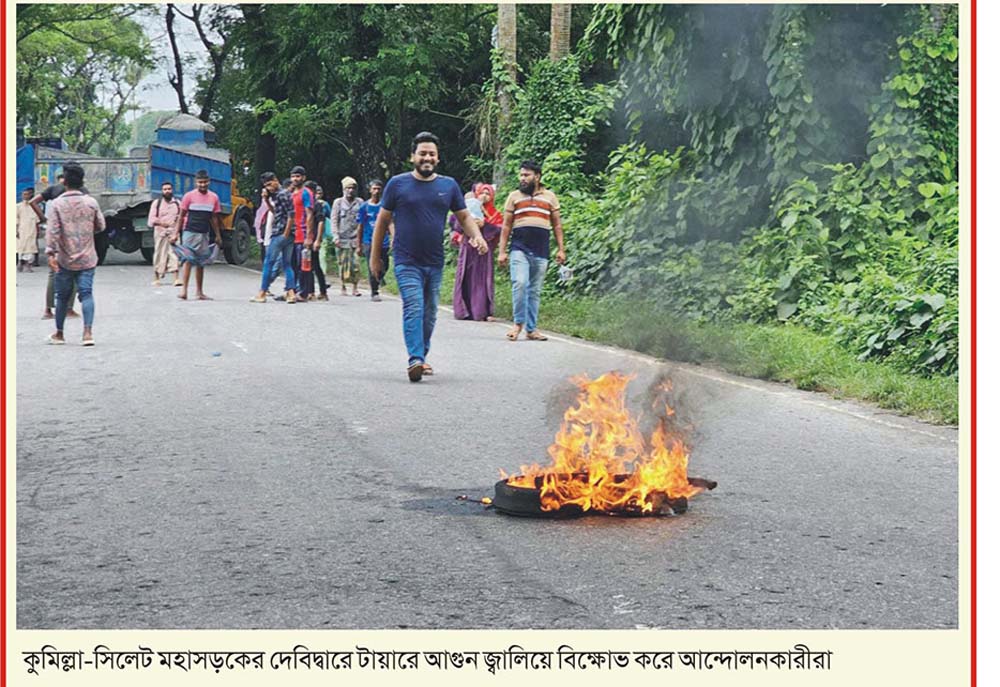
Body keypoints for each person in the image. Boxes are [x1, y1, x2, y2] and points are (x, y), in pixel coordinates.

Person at [370, 131, 488, 382]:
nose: (427, 157)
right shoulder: (397, 184)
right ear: (412, 156)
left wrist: (476, 236)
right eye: (422, 153)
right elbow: (382, 220)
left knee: (430, 312)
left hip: (434, 261)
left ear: (437, 158)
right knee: (414, 306)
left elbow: (464, 216)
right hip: (406, 259)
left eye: (431, 154)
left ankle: (421, 356)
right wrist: (375, 257)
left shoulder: (448, 186)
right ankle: (415, 358)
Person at [498, 160, 567, 341]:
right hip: (519, 248)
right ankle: (517, 324)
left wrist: (561, 249)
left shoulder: (550, 197)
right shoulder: (514, 197)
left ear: (537, 176)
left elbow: (557, 225)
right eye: (521, 175)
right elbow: (506, 226)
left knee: (534, 290)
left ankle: (531, 329)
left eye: (526, 175)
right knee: (520, 283)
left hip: (541, 250)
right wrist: (502, 251)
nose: (522, 178)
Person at [44, 162, 105, 346]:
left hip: (64, 258)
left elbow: (53, 231)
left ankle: (59, 334)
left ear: (65, 182)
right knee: (86, 294)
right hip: (87, 257)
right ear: (82, 181)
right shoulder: (91, 202)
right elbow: (101, 226)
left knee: (62, 297)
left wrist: (50, 254)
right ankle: (87, 333)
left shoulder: (57, 204)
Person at [451, 182, 503, 321]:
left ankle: (480, 311)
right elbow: (456, 223)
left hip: (484, 251)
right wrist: (470, 223)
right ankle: (463, 310)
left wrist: (485, 225)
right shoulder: (468, 208)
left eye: (488, 194)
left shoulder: (495, 213)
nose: (485, 196)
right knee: (465, 276)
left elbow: (499, 229)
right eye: (482, 193)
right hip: (468, 248)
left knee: (482, 279)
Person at [31, 173, 79, 319]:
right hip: (72, 234)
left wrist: (44, 219)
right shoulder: (80, 190)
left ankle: (48, 310)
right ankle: (69, 308)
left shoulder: (53, 189)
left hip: (54, 232)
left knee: (53, 272)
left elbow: (33, 202)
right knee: (74, 271)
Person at [173, 169, 223, 300]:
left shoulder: (214, 197)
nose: (203, 184)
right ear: (196, 182)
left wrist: (218, 235)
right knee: (188, 260)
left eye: (205, 182)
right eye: (200, 182)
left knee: (201, 262)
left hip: (204, 233)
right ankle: (184, 291)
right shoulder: (189, 196)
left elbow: (214, 218)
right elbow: (181, 216)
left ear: (209, 182)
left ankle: (199, 292)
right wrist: (176, 233)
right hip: (189, 232)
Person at [250, 172, 296, 303]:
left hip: (281, 233)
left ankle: (262, 292)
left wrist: (285, 233)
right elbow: (275, 212)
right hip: (288, 233)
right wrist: (265, 199)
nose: (269, 187)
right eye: (266, 186)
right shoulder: (276, 195)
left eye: (270, 184)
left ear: (276, 180)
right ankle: (291, 293)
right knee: (287, 264)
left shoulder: (282, 194)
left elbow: (291, 214)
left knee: (268, 263)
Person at [357, 179, 390, 302]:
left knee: (385, 265)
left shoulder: (385, 206)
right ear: (370, 190)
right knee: (372, 265)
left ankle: (380, 277)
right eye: (374, 188)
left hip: (384, 241)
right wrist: (359, 245)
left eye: (378, 189)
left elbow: (390, 223)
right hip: (368, 241)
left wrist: (393, 238)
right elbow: (360, 226)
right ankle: (374, 292)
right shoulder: (364, 207)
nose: (376, 191)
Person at [331, 176, 363, 297]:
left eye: (353, 188)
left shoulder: (360, 202)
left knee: (356, 263)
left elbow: (363, 220)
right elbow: (334, 220)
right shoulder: (338, 202)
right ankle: (343, 286)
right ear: (344, 189)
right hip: (342, 237)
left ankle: (355, 287)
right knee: (342, 263)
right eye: (348, 188)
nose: (350, 190)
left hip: (356, 237)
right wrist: (335, 236)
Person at [147, 181, 182, 286]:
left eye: (169, 189)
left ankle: (176, 279)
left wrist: (176, 232)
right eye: (165, 189)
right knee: (159, 254)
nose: (167, 191)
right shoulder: (156, 204)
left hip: (174, 233)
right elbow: (151, 220)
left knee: (174, 255)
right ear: (162, 191)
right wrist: (163, 223)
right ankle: (157, 278)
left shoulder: (177, 204)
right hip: (160, 233)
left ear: (172, 190)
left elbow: (181, 219)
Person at [288, 165, 313, 303]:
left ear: (303, 178)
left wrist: (309, 237)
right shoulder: (291, 193)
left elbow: (310, 215)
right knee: (291, 265)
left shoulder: (306, 193)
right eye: (293, 176)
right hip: (291, 234)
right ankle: (292, 291)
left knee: (303, 265)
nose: (295, 179)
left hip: (302, 234)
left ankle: (303, 292)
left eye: (298, 176)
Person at [310, 184, 330, 300]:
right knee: (307, 266)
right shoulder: (307, 204)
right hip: (305, 237)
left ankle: (322, 291)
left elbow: (322, 222)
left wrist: (318, 240)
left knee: (315, 266)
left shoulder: (318, 205)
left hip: (314, 238)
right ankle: (309, 291)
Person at [16, 187, 40, 272]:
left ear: (30, 195)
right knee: (21, 247)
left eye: (26, 194)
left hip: (31, 230)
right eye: (23, 194)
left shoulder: (34, 206)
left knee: (31, 247)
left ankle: (28, 265)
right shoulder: (18, 206)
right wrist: (16, 230)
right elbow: (16, 219)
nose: (25, 196)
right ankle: (20, 262)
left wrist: (38, 231)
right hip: (22, 229)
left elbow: (37, 220)